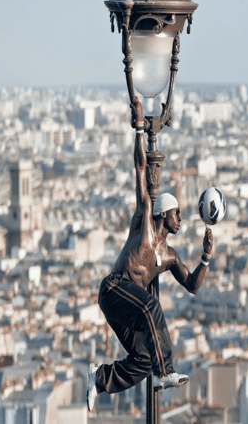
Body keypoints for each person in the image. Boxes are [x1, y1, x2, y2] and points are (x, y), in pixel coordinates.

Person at [87, 97, 214, 411]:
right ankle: (167, 372)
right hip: (114, 288)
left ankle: (100, 378)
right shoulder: (144, 224)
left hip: (126, 306)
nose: (181, 219)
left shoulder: (169, 256)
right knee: (151, 307)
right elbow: (141, 168)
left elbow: (193, 285)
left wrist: (206, 257)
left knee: (143, 360)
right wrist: (140, 128)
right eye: (177, 214)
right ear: (163, 214)